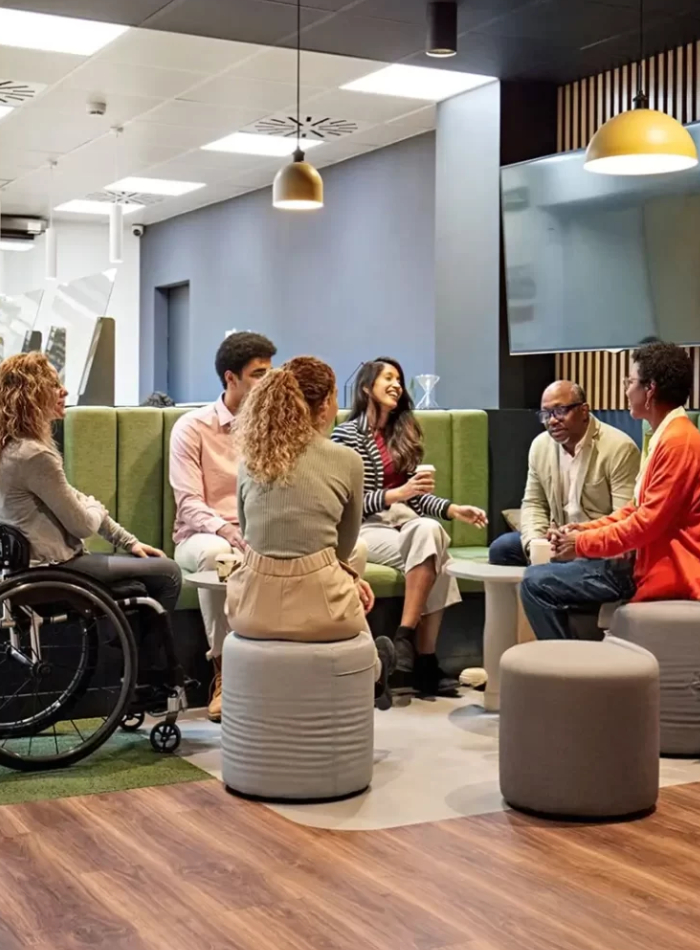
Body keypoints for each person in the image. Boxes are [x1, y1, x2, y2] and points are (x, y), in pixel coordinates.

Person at [226, 357, 396, 709]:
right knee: (348, 595)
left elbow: (249, 536)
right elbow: (343, 548)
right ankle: (376, 672)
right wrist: (347, 579)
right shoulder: (347, 460)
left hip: (251, 609)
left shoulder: (249, 460)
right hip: (322, 612)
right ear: (327, 403)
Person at [520, 342, 700, 639]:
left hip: (659, 567)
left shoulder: (678, 441)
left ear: (650, 389)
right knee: (528, 567)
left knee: (535, 583)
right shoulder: (666, 435)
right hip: (644, 559)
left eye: (630, 382)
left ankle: (566, 665)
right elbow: (635, 509)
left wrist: (581, 543)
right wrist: (582, 530)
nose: (626, 390)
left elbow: (645, 524)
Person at [332, 357, 487, 697]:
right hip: (365, 528)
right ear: (365, 387)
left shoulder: (404, 432)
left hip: (404, 524)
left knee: (431, 532)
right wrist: (395, 494)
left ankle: (404, 637)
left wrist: (453, 509)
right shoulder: (346, 434)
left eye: (399, 380)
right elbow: (347, 501)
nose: (396, 385)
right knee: (437, 555)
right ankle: (426, 661)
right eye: (388, 378)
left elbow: (416, 498)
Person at [0, 352, 181, 609]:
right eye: (54, 385)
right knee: (168, 573)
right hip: (55, 570)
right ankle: (147, 638)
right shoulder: (35, 455)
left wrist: (129, 542)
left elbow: (75, 499)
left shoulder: (13, 448)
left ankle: (133, 636)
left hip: (30, 571)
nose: (64, 391)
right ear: (31, 396)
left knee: (144, 580)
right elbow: (83, 525)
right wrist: (96, 506)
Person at [170, 331, 276, 721]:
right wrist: (229, 531)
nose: (269, 381)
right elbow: (188, 503)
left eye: (270, 372)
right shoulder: (192, 427)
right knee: (220, 555)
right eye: (259, 374)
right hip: (201, 535)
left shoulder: (272, 429)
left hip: (256, 532)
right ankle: (224, 672)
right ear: (231, 378)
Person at [489, 380, 640, 566]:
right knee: (502, 549)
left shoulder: (619, 448)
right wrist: (536, 544)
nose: (552, 420)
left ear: (584, 411)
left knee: (598, 561)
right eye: (545, 414)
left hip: (597, 542)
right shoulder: (540, 446)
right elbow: (534, 503)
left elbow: (624, 519)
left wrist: (579, 541)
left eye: (560, 411)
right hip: (558, 539)